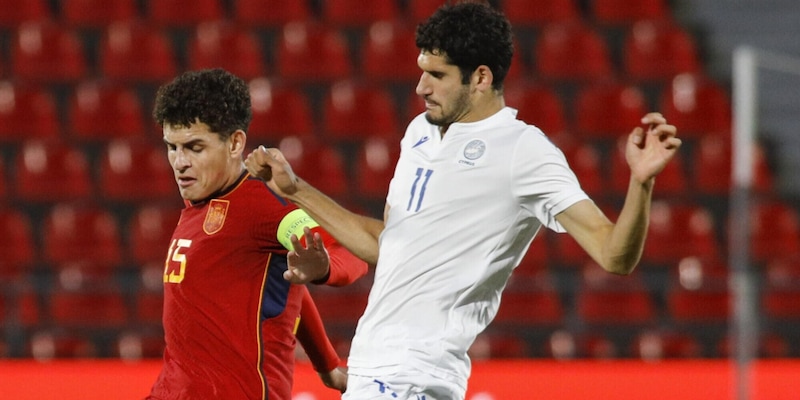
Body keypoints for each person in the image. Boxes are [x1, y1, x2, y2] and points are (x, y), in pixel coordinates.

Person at [244, 2, 681, 399]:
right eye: (422, 71)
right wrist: (295, 189)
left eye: (437, 75)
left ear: (481, 78)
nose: (420, 87)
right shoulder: (419, 133)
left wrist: (640, 184)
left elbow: (613, 255)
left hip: (413, 377)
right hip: (374, 369)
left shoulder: (523, 151)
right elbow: (390, 244)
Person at [147, 68, 367, 400]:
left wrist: (323, 269)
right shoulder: (198, 205)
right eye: (172, 147)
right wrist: (328, 365)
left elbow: (352, 251)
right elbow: (291, 292)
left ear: (235, 143)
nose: (179, 162)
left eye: (194, 147)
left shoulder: (263, 207)